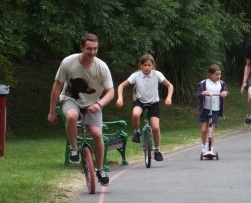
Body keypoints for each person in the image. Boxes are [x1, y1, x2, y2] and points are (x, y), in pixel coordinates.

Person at [48, 33, 114, 186]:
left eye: (95, 49)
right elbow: (57, 86)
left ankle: (100, 169)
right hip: (70, 99)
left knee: (97, 134)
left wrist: (99, 104)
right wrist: (52, 111)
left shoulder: (102, 67)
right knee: (71, 116)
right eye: (89, 49)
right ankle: (73, 149)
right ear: (81, 47)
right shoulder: (68, 62)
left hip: (93, 104)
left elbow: (111, 91)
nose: (92, 52)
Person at [116, 54, 173, 161]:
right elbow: (121, 86)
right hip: (140, 102)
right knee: (135, 114)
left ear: (153, 66)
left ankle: (157, 150)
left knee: (155, 127)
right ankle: (137, 132)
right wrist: (120, 98)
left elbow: (170, 85)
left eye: (149, 65)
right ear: (140, 66)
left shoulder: (157, 74)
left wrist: (168, 97)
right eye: (144, 65)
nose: (147, 67)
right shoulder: (136, 75)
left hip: (153, 104)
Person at [196, 64, 228, 154]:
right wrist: (203, 93)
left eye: (220, 74)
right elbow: (198, 94)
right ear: (210, 74)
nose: (218, 76)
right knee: (204, 129)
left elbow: (226, 92)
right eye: (216, 74)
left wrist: (225, 93)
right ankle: (203, 146)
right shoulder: (203, 83)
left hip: (215, 110)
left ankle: (211, 148)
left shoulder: (221, 83)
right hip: (205, 109)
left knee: (211, 129)